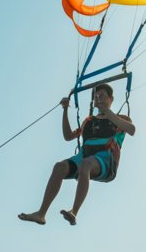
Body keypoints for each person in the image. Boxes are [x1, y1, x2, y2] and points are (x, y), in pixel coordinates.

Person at [19, 82, 135, 226]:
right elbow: (68, 136)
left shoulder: (121, 118)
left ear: (111, 99)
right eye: (97, 96)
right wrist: (65, 109)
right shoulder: (88, 121)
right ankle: (41, 214)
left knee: (86, 165)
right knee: (59, 167)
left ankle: (74, 211)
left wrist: (107, 112)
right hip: (84, 157)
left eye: (102, 96)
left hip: (105, 161)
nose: (99, 98)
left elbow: (131, 130)